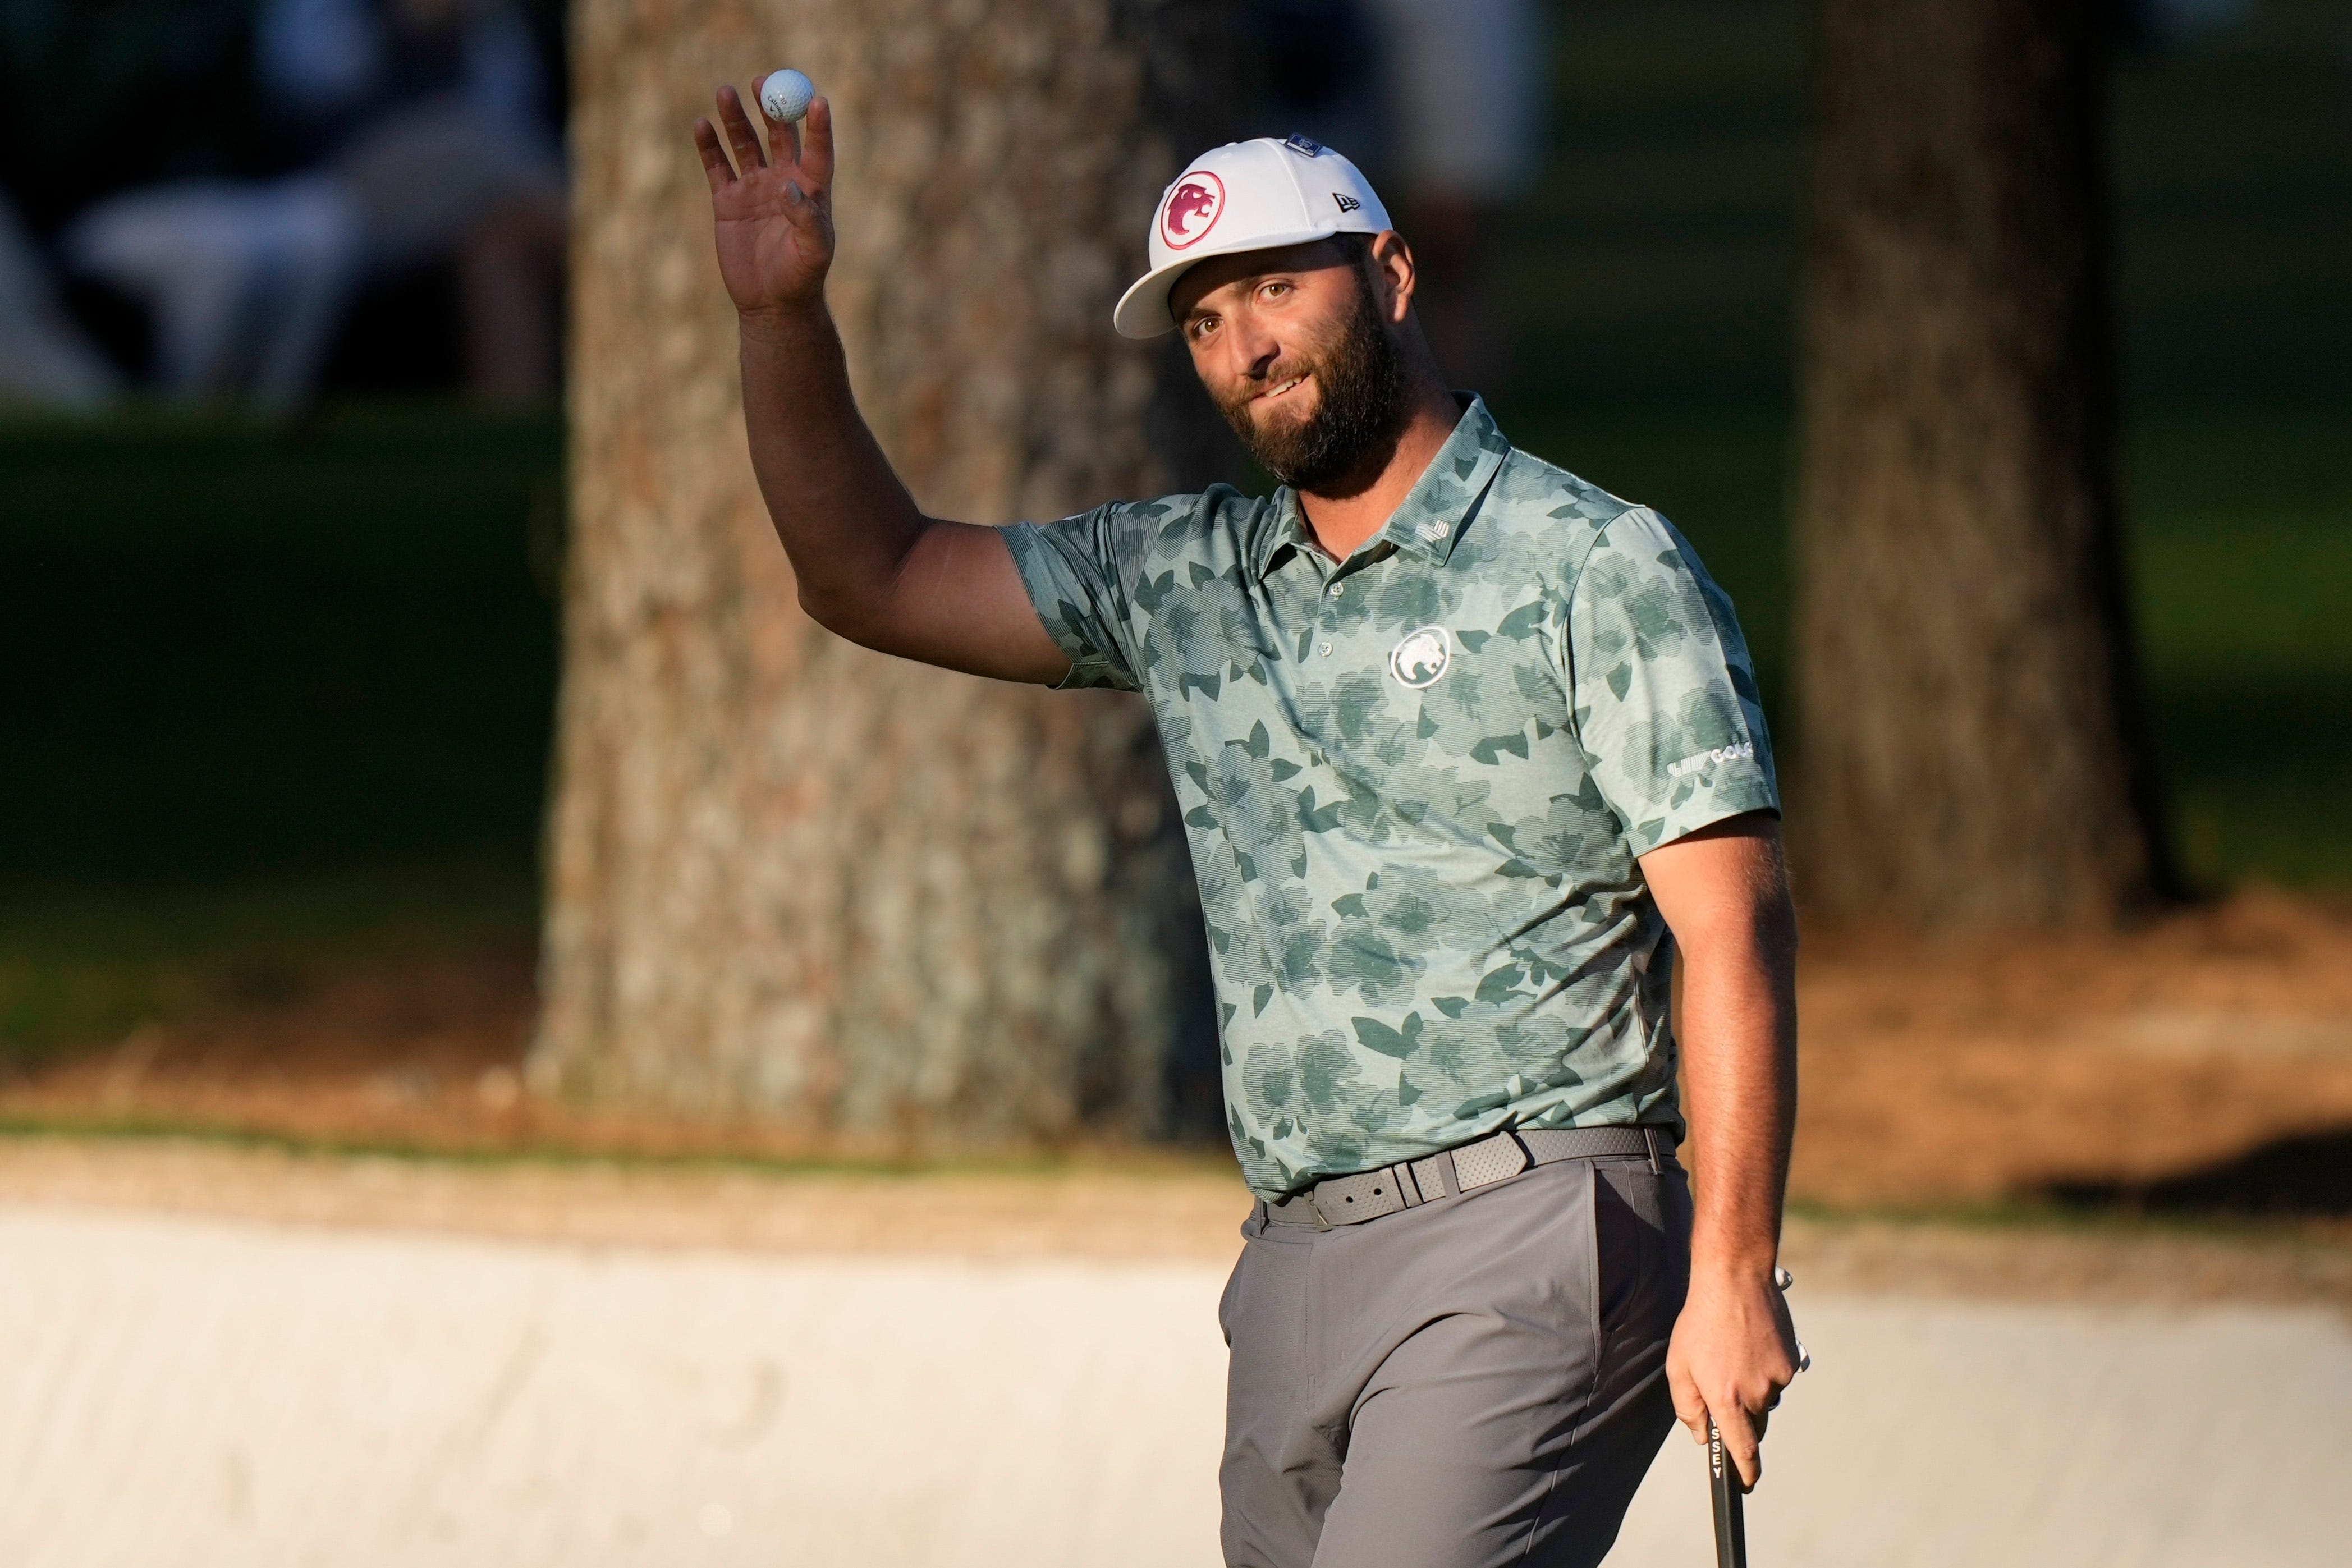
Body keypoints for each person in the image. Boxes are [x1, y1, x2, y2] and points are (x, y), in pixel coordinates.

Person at [693, 90, 1801, 1568]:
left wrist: (1733, 1264)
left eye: (1278, 285)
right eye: (1209, 317)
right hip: (1294, 1264)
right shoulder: (1187, 575)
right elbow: (869, 574)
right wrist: (782, 320)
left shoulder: (1592, 561)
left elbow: (1733, 922)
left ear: (1392, 274)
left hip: (1538, 1226)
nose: (1249, 343)